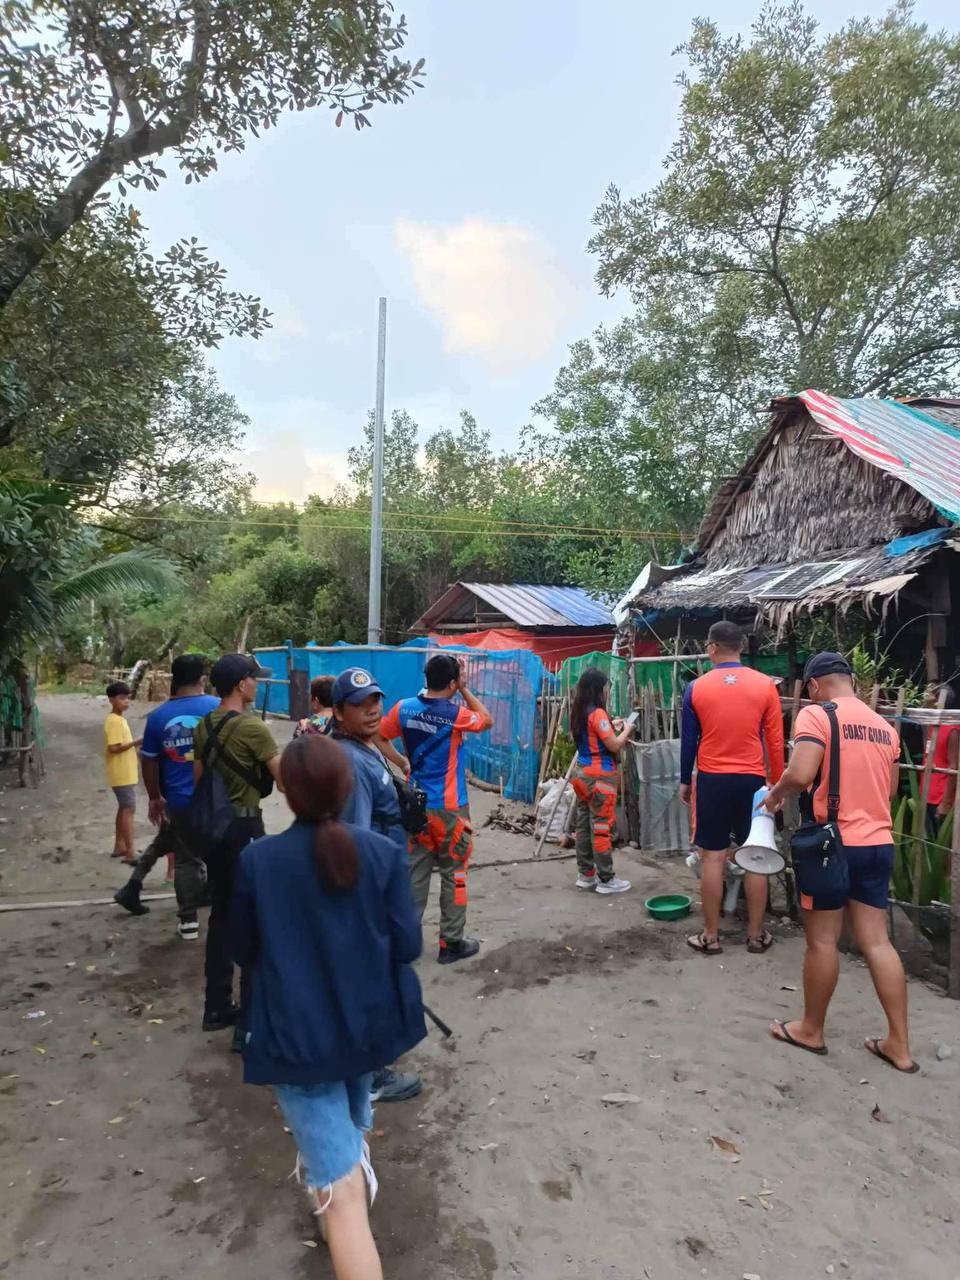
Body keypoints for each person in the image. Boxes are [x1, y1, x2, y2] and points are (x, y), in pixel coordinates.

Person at [230, 734, 426, 1280]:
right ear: (346, 786)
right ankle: (336, 1205)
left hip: (298, 1038)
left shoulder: (258, 862)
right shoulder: (382, 853)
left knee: (341, 1196)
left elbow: (242, 951)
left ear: (286, 793)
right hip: (368, 1031)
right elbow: (408, 945)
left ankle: (338, 1212)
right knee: (344, 1139)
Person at [763, 652, 916, 1071]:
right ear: (850, 680)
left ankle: (811, 1030)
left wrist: (775, 795)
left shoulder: (816, 716)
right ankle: (899, 1046)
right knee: (877, 941)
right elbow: (887, 793)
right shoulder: (886, 728)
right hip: (878, 842)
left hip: (832, 846)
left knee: (823, 941)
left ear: (814, 685)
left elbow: (800, 773)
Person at [330, 667, 421, 1104]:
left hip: (384, 880)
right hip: (370, 891)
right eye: (359, 704)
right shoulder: (349, 760)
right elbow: (354, 838)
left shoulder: (360, 749)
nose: (372, 711)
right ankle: (367, 1077)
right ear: (338, 712)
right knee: (368, 984)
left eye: (375, 701)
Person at [679, 621, 785, 955]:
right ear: (740, 647)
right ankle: (755, 936)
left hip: (711, 780)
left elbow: (688, 743)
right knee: (755, 856)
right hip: (753, 784)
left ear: (712, 648)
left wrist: (686, 780)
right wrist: (777, 785)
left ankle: (711, 937)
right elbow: (776, 740)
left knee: (712, 858)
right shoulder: (765, 685)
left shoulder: (696, 688)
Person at [380, 653, 493, 962]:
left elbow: (378, 734)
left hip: (415, 806)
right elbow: (487, 719)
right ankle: (451, 943)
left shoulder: (404, 708)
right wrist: (466, 689)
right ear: (453, 683)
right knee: (454, 873)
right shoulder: (455, 714)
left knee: (414, 873)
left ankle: (404, 943)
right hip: (451, 809)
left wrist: (402, 761)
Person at [192, 654, 281, 1035]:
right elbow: (287, 780)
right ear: (241, 684)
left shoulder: (203, 725)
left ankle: (216, 1006)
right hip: (246, 827)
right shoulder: (253, 728)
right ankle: (250, 1021)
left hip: (216, 831)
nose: (256, 685)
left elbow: (199, 780)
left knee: (222, 917)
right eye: (253, 679)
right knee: (256, 918)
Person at [114, 654, 219, 939]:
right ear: (202, 680)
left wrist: (155, 797)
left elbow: (148, 761)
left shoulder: (158, 716)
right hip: (214, 799)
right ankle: (192, 914)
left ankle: (136, 890)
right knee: (195, 856)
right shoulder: (216, 707)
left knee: (173, 845)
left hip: (178, 800)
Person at [568, 667, 634, 895]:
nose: (607, 692)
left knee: (583, 824)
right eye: (606, 688)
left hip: (582, 775)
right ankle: (607, 878)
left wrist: (611, 727)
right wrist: (626, 730)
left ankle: (585, 875)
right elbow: (614, 745)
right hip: (600, 777)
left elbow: (593, 735)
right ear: (598, 689)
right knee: (601, 826)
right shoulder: (597, 713)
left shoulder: (578, 711)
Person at [103, 680, 142, 865]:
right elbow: (114, 748)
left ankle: (120, 846)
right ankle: (130, 852)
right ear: (111, 700)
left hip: (125, 771)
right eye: (121, 698)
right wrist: (137, 741)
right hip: (121, 773)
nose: (126, 702)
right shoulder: (114, 721)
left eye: (127, 698)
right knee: (128, 809)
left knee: (124, 808)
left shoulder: (120, 720)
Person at [922, 684, 959, 833]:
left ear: (939, 701)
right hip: (927, 794)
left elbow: (954, 765)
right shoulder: (933, 724)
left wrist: (946, 802)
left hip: (940, 797)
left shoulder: (952, 729)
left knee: (940, 846)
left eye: (932, 697)